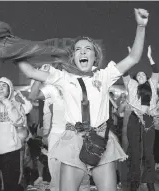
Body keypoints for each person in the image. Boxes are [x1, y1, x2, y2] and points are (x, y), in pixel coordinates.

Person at [15, 8, 148, 191]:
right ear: (74, 57)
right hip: (72, 141)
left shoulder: (105, 75)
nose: (82, 52)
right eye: (78, 49)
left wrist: (141, 26)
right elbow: (30, 71)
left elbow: (133, 57)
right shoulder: (63, 77)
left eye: (87, 49)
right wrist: (12, 52)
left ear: (95, 57)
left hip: (100, 140)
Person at [122, 45, 159, 191]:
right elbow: (125, 72)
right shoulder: (131, 85)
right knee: (134, 151)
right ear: (136, 78)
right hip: (134, 119)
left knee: (148, 152)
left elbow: (156, 71)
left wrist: (150, 57)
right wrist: (131, 58)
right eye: (138, 75)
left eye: (144, 74)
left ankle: (149, 181)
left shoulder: (152, 84)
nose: (141, 76)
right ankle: (134, 181)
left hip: (148, 119)